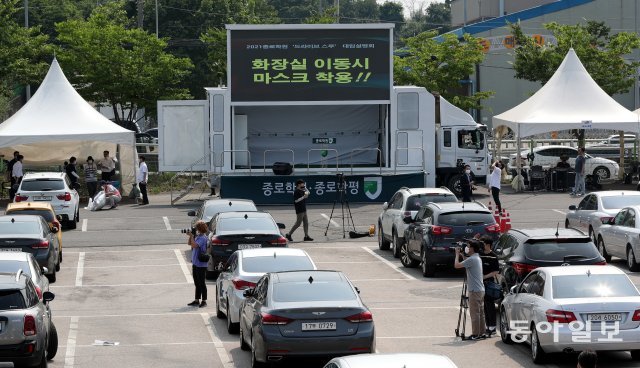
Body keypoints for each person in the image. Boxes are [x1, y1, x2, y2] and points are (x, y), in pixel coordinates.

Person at [454, 239, 486, 340]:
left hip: (474, 291)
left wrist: (456, 254)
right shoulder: (476, 258)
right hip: (480, 290)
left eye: (468, 246)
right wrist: (462, 255)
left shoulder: (472, 259)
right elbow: (466, 262)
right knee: (480, 313)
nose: (467, 247)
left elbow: (457, 265)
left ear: (472, 248)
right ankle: (482, 333)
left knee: (474, 313)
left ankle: (475, 334)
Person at [479, 235, 499, 336]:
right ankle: (487, 326)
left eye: (483, 244)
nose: (482, 246)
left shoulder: (493, 256)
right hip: (481, 283)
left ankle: (493, 327)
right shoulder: (480, 254)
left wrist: (485, 276)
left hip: (489, 283)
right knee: (484, 306)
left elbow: (496, 271)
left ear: (488, 245)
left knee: (490, 305)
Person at [187, 220, 209, 308]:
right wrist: (191, 236)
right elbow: (190, 244)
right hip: (196, 263)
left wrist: (192, 236)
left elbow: (195, 245)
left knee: (202, 283)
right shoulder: (198, 236)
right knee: (197, 282)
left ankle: (204, 300)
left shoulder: (203, 238)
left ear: (200, 229)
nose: (195, 229)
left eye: (196, 227)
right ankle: (196, 300)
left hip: (201, 264)